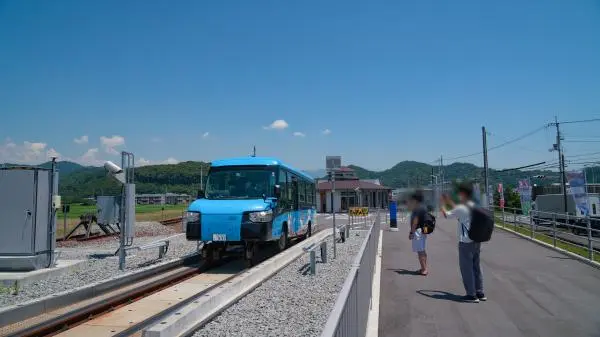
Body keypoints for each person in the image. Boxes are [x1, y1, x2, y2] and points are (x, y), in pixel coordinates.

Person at [440, 182, 486, 303]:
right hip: (477, 239)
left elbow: (447, 214)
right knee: (476, 267)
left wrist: (442, 204)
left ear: (462, 194)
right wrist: (450, 202)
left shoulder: (461, 208)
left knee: (466, 268)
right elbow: (459, 212)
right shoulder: (474, 205)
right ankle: (480, 292)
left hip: (466, 242)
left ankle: (471, 295)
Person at [407, 190, 428, 276]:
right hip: (423, 231)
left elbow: (415, 222)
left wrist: (411, 233)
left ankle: (424, 269)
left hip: (418, 231)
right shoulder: (424, 207)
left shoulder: (417, 208)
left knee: (420, 251)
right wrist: (425, 232)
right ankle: (424, 268)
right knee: (422, 250)